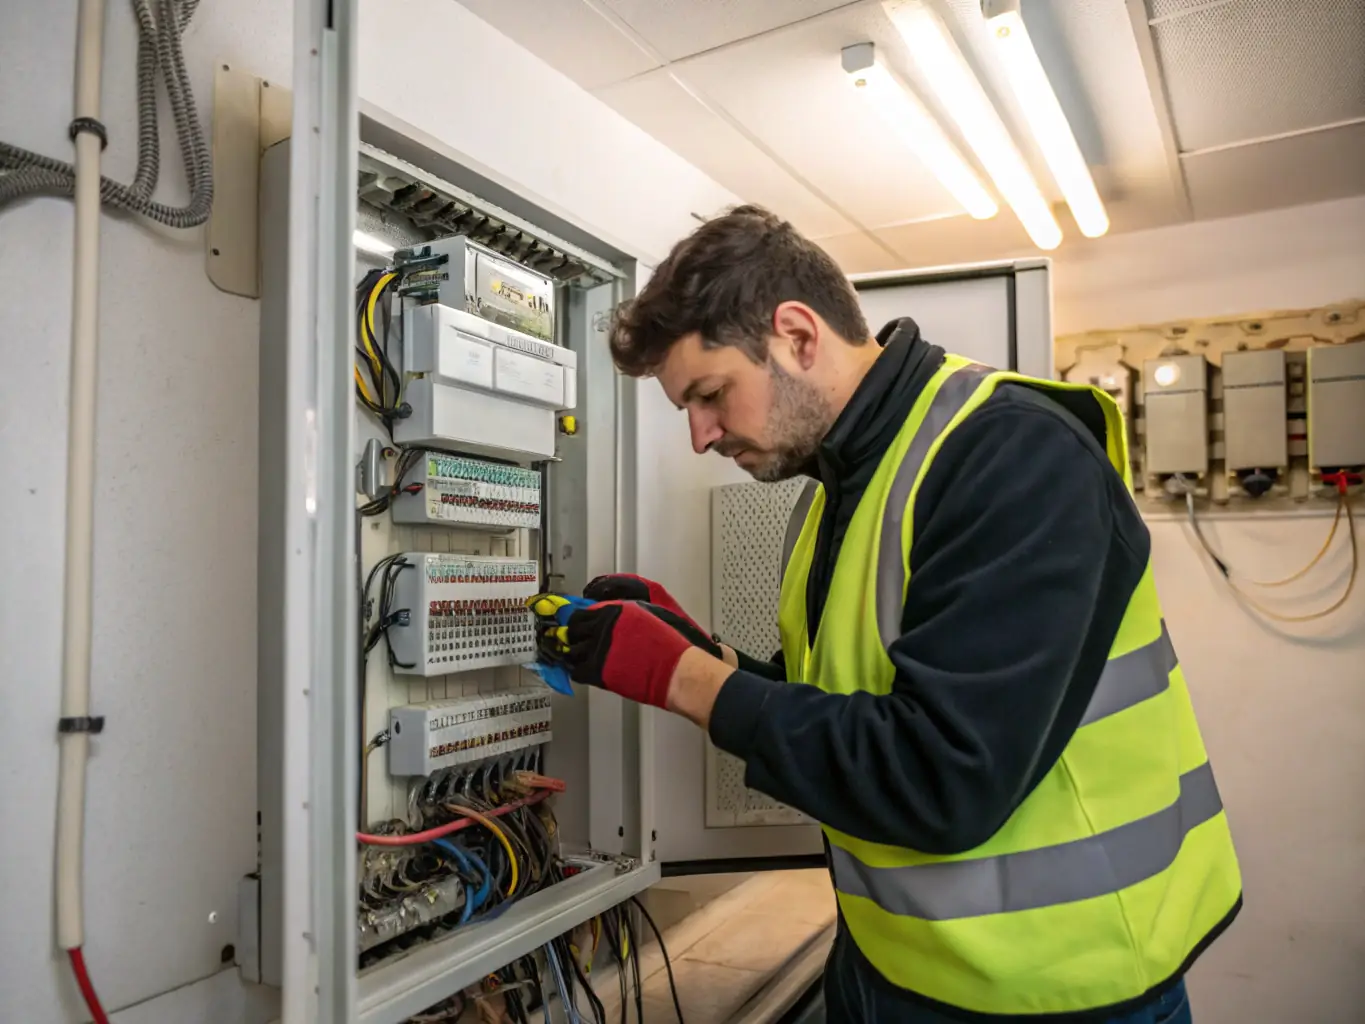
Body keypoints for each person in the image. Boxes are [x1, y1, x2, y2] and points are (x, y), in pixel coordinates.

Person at [544, 205, 1241, 1023]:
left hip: (1059, 988)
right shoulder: (838, 490)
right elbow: (855, 709)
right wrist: (706, 652)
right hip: (894, 963)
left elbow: (942, 774)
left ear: (798, 335)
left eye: (709, 394)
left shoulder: (1010, 455)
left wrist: (682, 678)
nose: (699, 435)